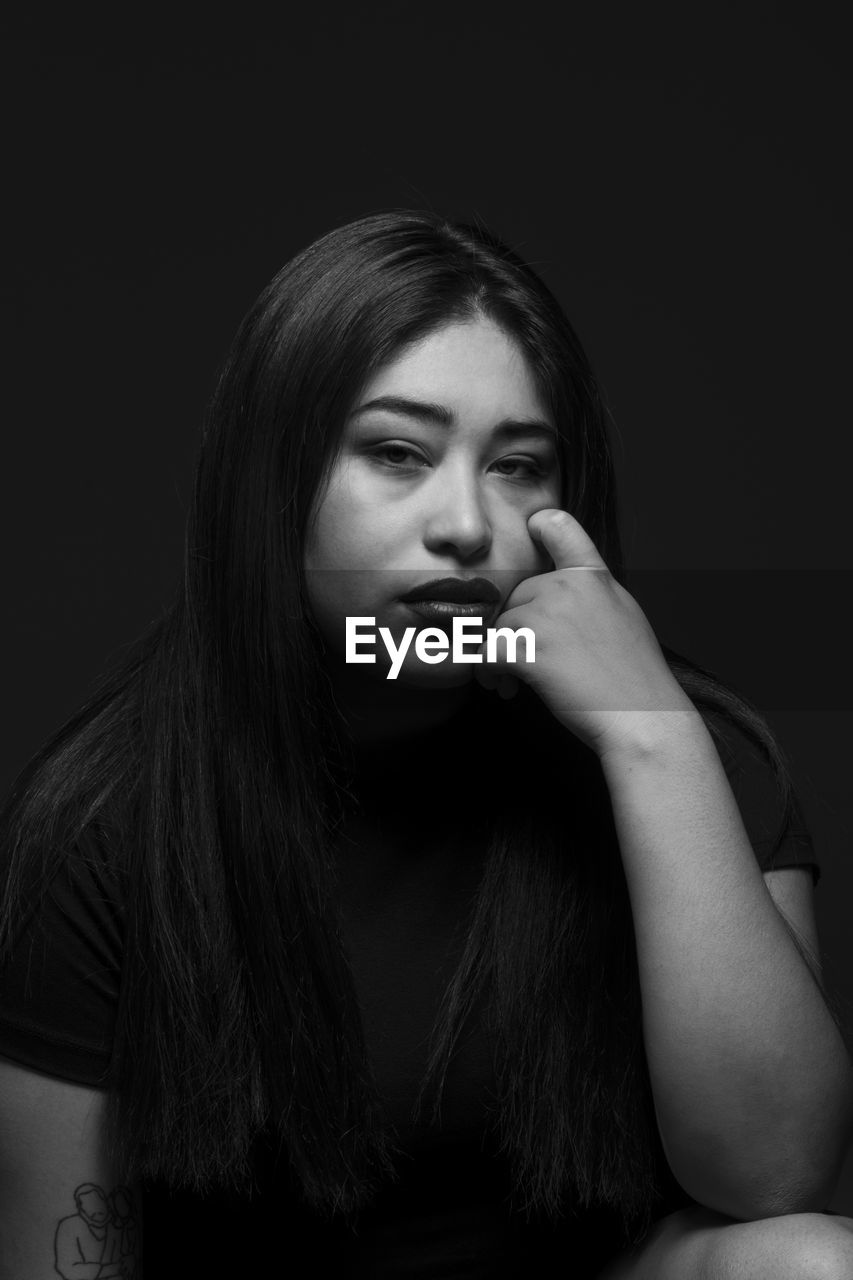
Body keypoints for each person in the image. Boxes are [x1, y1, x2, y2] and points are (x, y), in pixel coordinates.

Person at [1, 209, 852, 1279]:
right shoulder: (108, 817)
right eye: (397, 452)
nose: (465, 522)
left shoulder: (693, 753)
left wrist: (653, 744)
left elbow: (775, 1174)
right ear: (277, 486)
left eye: (518, 465)